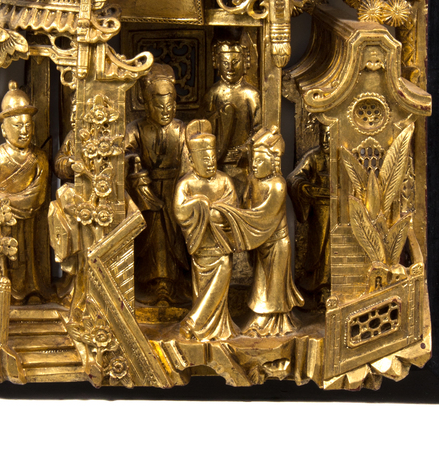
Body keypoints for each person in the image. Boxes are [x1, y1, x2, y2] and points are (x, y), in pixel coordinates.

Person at [0, 81, 50, 303]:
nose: (24, 131)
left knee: (29, 255)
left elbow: (37, 196)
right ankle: (6, 294)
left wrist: (2, 199)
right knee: (7, 259)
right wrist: (1, 205)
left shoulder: (39, 158)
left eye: (27, 125)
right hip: (3, 223)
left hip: (31, 221)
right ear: (4, 130)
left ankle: (31, 289)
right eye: (17, 126)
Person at [124, 64, 190, 306]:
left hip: (175, 191)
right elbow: (125, 154)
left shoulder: (180, 129)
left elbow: (188, 161)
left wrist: (185, 187)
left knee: (175, 238)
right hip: (146, 192)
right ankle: (151, 284)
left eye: (169, 106)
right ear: (147, 104)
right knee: (152, 238)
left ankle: (174, 284)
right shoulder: (136, 129)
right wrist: (136, 169)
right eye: (159, 106)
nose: (165, 111)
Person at [173, 120, 239, 341]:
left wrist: (212, 212)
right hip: (201, 246)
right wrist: (200, 204)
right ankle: (202, 328)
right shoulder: (186, 184)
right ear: (192, 161)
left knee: (223, 272)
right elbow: (180, 211)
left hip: (221, 246)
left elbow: (233, 210)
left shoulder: (224, 181)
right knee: (201, 289)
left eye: (212, 158)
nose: (210, 163)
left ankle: (197, 323)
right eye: (204, 159)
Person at [242, 127, 304, 336]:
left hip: (276, 243)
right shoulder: (253, 181)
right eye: (253, 160)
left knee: (273, 287)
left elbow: (265, 216)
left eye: (260, 161)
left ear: (273, 162)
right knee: (260, 283)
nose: (254, 165)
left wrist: (241, 221)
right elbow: (247, 203)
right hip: (260, 241)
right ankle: (260, 318)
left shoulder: (277, 185)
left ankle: (274, 321)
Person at [199, 38, 261, 199]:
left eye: (235, 62)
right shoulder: (213, 94)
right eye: (225, 63)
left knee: (242, 199)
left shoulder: (251, 95)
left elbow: (259, 129)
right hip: (216, 162)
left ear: (245, 62)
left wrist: (246, 148)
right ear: (217, 63)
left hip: (241, 163)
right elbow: (203, 129)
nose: (230, 68)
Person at [287, 130, 331, 304]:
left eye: (330, 134)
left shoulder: (344, 154)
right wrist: (305, 187)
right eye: (323, 134)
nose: (326, 139)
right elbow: (293, 178)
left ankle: (333, 288)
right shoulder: (313, 157)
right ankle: (316, 288)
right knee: (319, 246)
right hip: (320, 209)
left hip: (343, 209)